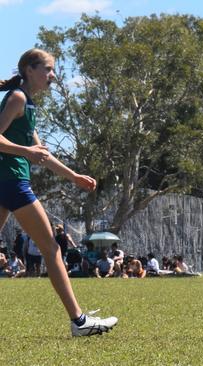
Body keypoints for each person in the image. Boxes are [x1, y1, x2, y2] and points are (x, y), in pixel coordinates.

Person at [0, 48, 116, 335]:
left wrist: (73, 176)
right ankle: (79, 321)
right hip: (12, 181)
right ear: (29, 70)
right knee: (51, 248)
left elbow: (43, 154)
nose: (52, 75)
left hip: (7, 180)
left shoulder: (28, 106)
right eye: (48, 69)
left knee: (50, 248)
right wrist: (24, 151)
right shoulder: (17, 99)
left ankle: (78, 320)